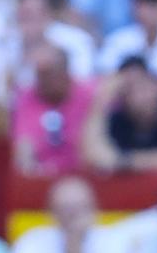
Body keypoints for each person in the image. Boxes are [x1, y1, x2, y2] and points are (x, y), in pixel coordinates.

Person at [83, 54, 157, 172]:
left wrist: (125, 162)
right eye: (129, 88)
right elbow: (94, 158)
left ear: (155, 85)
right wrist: (101, 101)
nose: (138, 95)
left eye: (141, 85)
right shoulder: (118, 119)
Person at [11, 40, 97, 176]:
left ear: (64, 72)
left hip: (85, 176)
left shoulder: (90, 94)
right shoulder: (27, 97)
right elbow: (23, 144)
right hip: (41, 179)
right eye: (38, 74)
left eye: (47, 74)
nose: (41, 81)